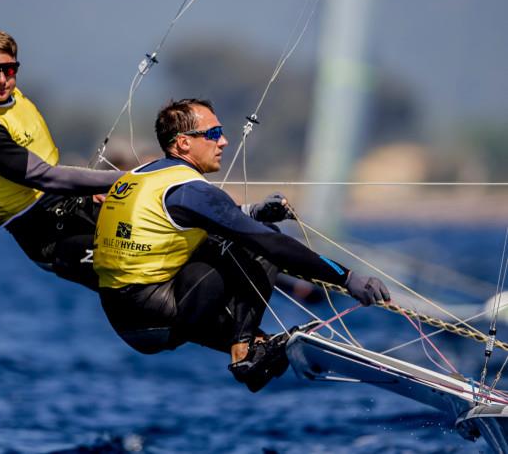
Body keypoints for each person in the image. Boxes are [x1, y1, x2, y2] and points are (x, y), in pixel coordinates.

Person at [93, 98, 390, 392]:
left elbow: (201, 219)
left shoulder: (135, 178)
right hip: (160, 314)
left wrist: (253, 210)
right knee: (261, 238)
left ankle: (254, 343)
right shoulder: (189, 189)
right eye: (212, 134)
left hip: (122, 321)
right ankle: (244, 350)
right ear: (183, 143)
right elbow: (271, 244)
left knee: (218, 239)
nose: (223, 141)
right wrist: (347, 278)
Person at [0, 26, 123, 290]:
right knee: (139, 255)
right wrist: (130, 179)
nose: (2, 79)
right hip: (48, 238)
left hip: (75, 206)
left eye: (10, 69)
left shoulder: (10, 97)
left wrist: (89, 193)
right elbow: (45, 177)